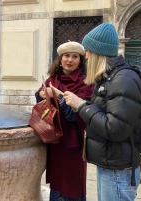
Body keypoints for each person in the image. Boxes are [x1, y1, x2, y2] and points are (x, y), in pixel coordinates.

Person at [62, 23, 141, 201]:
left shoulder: (122, 79)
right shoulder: (109, 78)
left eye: (88, 52)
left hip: (118, 170)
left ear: (98, 52)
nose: (86, 57)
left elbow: (115, 128)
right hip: (110, 164)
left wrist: (82, 106)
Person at [35, 41, 94, 200]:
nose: (70, 60)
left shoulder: (87, 82)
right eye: (66, 56)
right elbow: (41, 104)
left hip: (74, 142)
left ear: (80, 61)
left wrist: (58, 94)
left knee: (73, 183)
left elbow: (77, 113)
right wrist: (41, 94)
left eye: (75, 57)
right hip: (55, 141)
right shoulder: (52, 79)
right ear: (60, 59)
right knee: (57, 180)